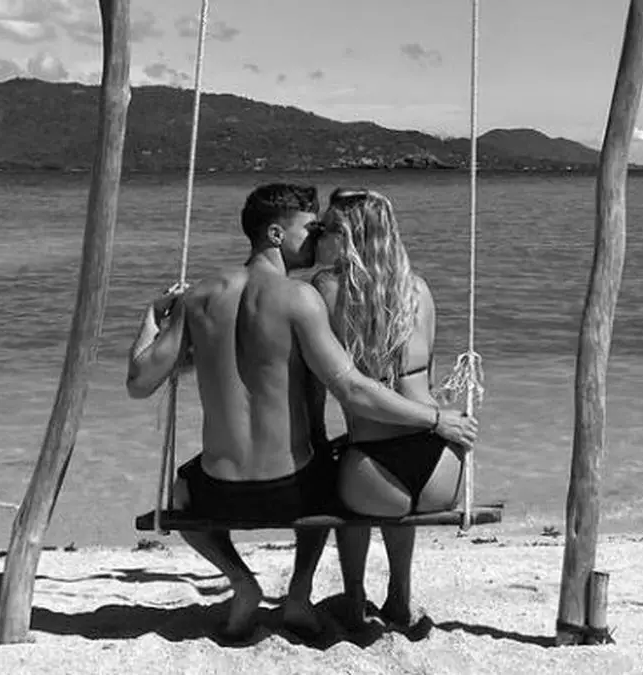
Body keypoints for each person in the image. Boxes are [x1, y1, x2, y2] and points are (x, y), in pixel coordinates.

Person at [125, 183, 477, 644]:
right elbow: (357, 383)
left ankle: (250, 582)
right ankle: (312, 591)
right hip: (357, 480)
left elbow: (139, 383)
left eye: (323, 230)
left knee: (183, 491)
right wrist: (435, 419)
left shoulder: (201, 298)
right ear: (276, 234)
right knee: (330, 470)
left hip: (223, 494)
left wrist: (152, 318)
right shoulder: (322, 297)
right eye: (311, 229)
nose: (317, 238)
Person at [307, 188, 466, 640]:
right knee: (395, 489)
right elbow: (426, 381)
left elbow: (328, 388)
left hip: (374, 471)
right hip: (441, 468)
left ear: (348, 235)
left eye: (325, 228)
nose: (318, 236)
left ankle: (354, 599)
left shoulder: (325, 290)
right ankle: (399, 596)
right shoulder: (419, 290)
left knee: (340, 472)